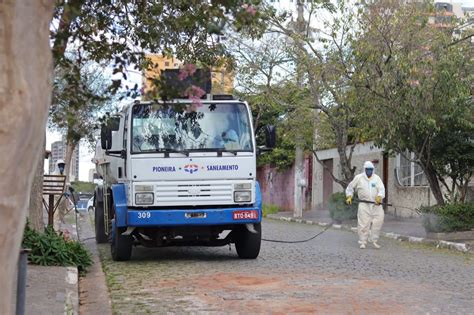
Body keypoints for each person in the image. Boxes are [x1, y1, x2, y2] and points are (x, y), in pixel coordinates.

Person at [345, 161, 385, 249]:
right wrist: (349, 196)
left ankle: (374, 240)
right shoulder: (359, 178)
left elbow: (382, 189)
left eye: (371, 170)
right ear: (364, 169)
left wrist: (379, 197)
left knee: (378, 221)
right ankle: (363, 241)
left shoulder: (377, 178)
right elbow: (350, 187)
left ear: (373, 170)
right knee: (363, 223)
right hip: (364, 204)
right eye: (368, 170)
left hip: (376, 204)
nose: (369, 171)